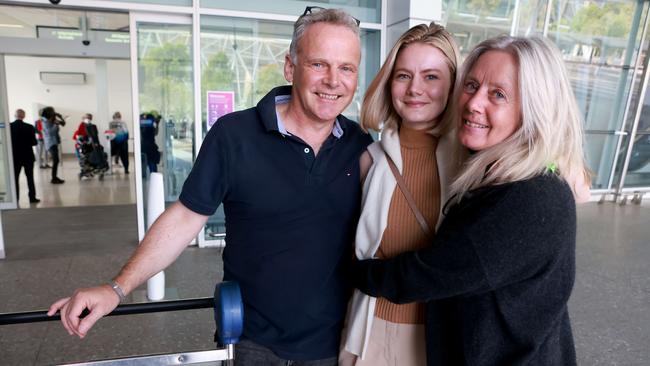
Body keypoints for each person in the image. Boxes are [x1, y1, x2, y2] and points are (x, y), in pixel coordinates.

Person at [48, 7, 372, 366]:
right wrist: (116, 288)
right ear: (290, 67)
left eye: (346, 68)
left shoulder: (359, 145)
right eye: (318, 64)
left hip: (333, 342)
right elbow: (185, 218)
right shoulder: (234, 135)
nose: (333, 80)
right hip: (252, 341)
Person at [352, 35, 591, 366]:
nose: (473, 103)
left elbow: (432, 272)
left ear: (534, 108)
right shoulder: (496, 174)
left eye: (498, 94)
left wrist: (349, 272)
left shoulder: (529, 195)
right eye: (472, 85)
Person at [339, 22, 461, 366]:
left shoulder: (471, 168)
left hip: (440, 339)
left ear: (454, 84)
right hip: (369, 333)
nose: (415, 89)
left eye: (431, 76)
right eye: (403, 75)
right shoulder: (368, 161)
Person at [10, 109, 40, 204]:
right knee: (30, 177)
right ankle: (32, 198)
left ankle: (16, 198)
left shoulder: (10, 126)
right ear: (24, 116)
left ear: (15, 115)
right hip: (28, 156)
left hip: (15, 157)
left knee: (15, 178)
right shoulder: (29, 127)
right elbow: (34, 143)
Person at [41, 106, 65, 184]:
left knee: (56, 160)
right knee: (56, 160)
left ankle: (54, 177)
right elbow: (50, 132)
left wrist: (61, 118)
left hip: (54, 142)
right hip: (51, 143)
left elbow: (63, 124)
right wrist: (56, 124)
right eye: (52, 112)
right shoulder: (45, 122)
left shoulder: (50, 120)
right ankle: (54, 178)